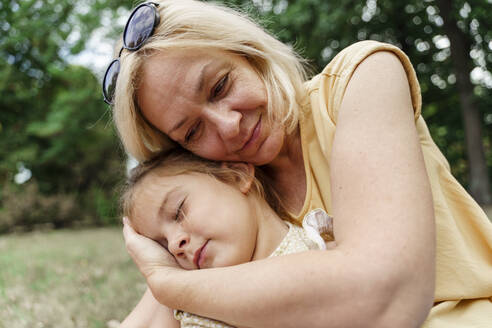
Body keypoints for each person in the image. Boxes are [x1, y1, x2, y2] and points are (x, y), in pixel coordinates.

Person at [104, 0, 492, 327]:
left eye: (221, 86)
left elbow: (389, 297)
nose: (229, 125)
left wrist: (169, 285)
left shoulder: (360, 79)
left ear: (248, 53)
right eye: (191, 132)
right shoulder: (227, 204)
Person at [121, 149, 333, 328]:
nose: (175, 244)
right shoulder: (186, 305)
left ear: (236, 176)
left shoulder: (320, 250)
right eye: (162, 245)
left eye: (178, 212)